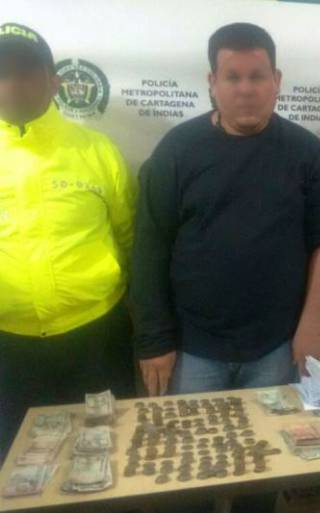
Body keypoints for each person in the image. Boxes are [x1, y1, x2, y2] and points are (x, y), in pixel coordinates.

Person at [131, 23, 320, 396]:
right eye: (233, 77)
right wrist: (154, 340)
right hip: (192, 349)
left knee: (276, 436)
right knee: (196, 436)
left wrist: (311, 325)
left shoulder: (306, 152)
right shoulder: (176, 150)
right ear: (212, 82)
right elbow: (150, 247)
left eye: (257, 76)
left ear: (276, 80)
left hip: (278, 346)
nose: (246, 89)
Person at [0, 23, 136, 461]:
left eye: (25, 71)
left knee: (108, 458)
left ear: (54, 81)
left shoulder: (97, 151)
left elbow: (128, 235)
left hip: (96, 338)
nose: (12, 83)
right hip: (9, 346)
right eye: (2, 72)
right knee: (18, 469)